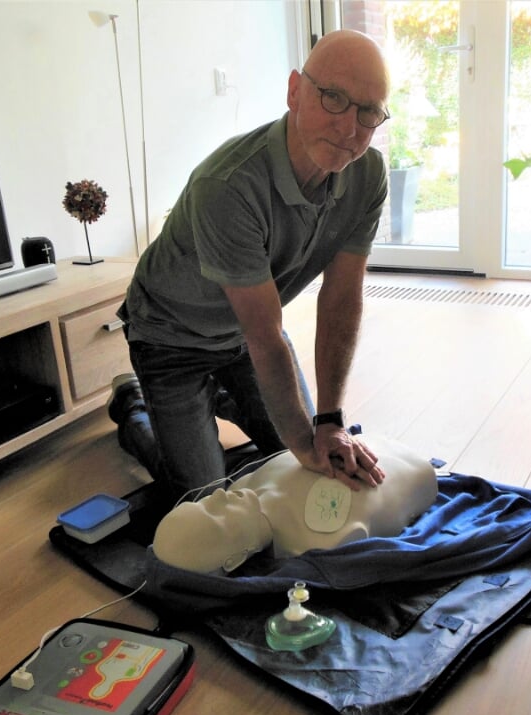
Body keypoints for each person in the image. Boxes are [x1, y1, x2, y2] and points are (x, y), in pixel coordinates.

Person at [110, 29, 391, 503]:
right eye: (333, 98)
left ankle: (221, 396)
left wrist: (328, 421)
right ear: (295, 91)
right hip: (169, 337)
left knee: (305, 457)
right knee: (203, 498)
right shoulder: (227, 185)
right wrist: (304, 442)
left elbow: (341, 300)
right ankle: (134, 407)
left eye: (368, 112)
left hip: (242, 335)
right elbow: (266, 337)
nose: (349, 128)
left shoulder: (368, 174)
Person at [152, 434, 438, 573]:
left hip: (371, 444)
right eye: (214, 514)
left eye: (203, 503)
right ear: (235, 559)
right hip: (419, 473)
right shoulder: (317, 541)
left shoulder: (244, 487)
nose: (217, 495)